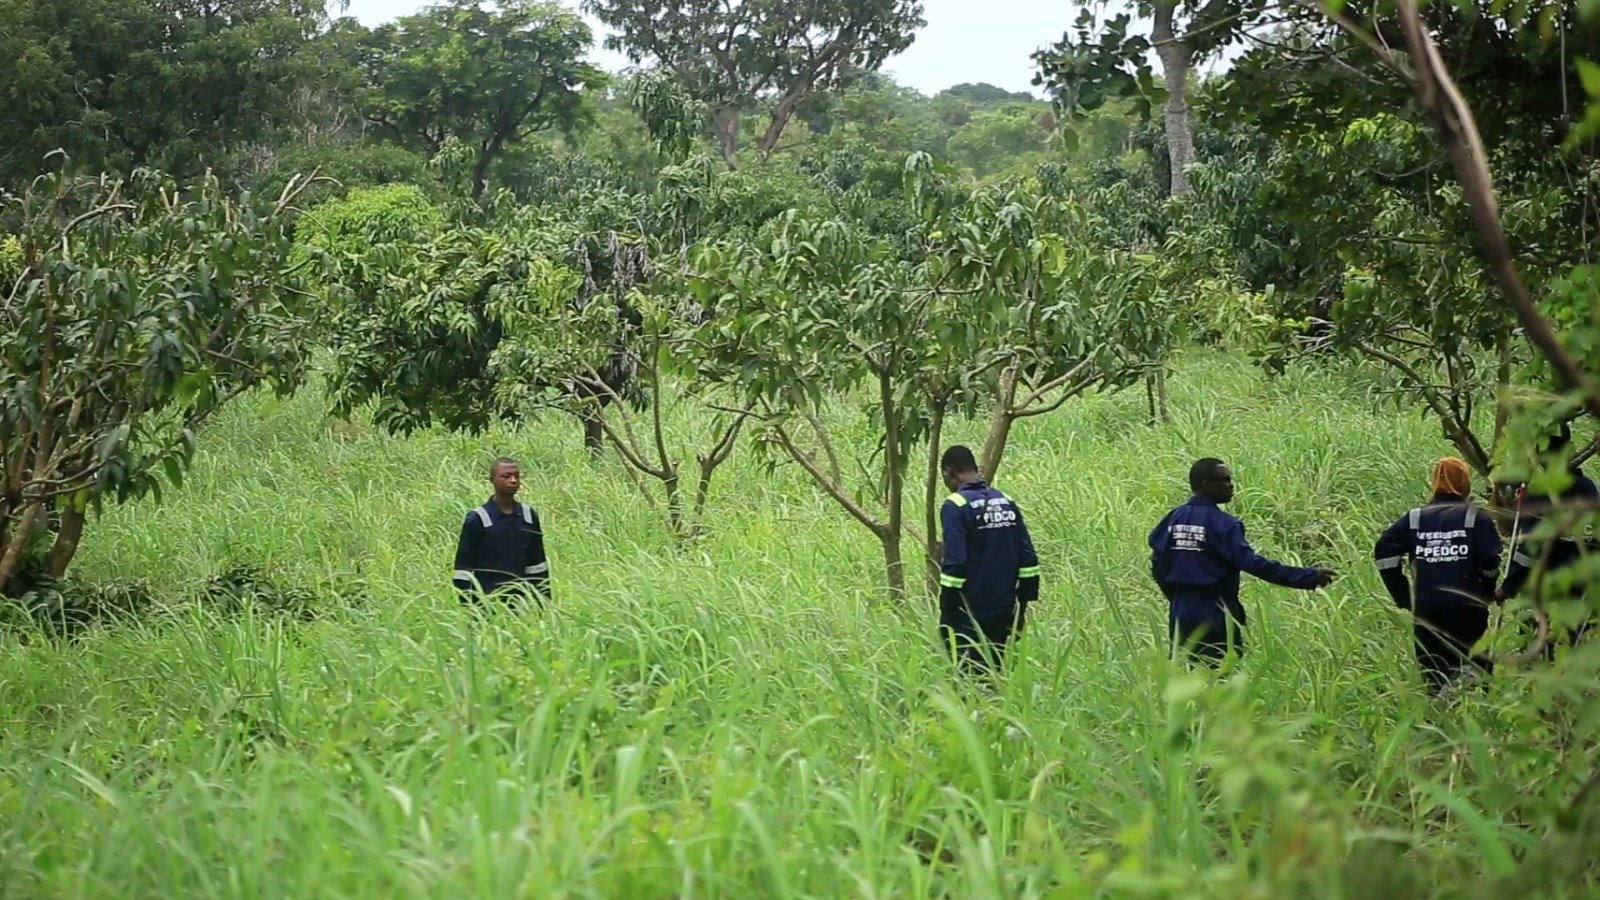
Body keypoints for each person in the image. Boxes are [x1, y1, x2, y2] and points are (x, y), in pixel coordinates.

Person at [1149, 458, 1336, 664]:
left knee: (1185, 676)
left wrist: (1177, 596)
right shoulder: (1224, 525)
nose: (1231, 485)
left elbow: (1158, 562)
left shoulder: (1173, 519)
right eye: (1224, 480)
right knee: (1220, 678)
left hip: (1180, 609)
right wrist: (1307, 577)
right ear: (1205, 485)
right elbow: (1253, 564)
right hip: (1215, 611)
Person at [1373, 457, 1503, 694]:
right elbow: (1490, 561)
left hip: (1427, 610)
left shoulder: (1414, 519)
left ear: (1435, 483)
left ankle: (1438, 722)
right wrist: (1487, 588)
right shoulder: (1475, 517)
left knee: (1434, 679)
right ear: (1465, 482)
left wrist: (1403, 595)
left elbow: (1384, 551)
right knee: (1475, 673)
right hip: (1469, 609)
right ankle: (1477, 723)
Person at [937, 445, 1039, 675]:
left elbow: (955, 564)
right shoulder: (1006, 501)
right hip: (1004, 609)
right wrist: (1021, 610)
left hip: (968, 612)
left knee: (966, 679)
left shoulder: (955, 506)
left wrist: (947, 608)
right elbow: (1029, 560)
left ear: (949, 473)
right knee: (994, 673)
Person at [1499, 422, 1599, 653]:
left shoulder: (1539, 492)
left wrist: (1509, 585)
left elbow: (1530, 547)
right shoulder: (1586, 487)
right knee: (1580, 632)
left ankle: (1541, 662)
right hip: (1583, 576)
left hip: (1545, 579)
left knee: (1535, 628)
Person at [451, 457, 550, 606]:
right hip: (487, 604)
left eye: (516, 476)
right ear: (492, 480)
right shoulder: (478, 519)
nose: (513, 480)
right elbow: (463, 570)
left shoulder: (528, 516)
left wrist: (542, 603)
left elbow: (537, 566)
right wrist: (470, 608)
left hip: (522, 605)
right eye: (506, 476)